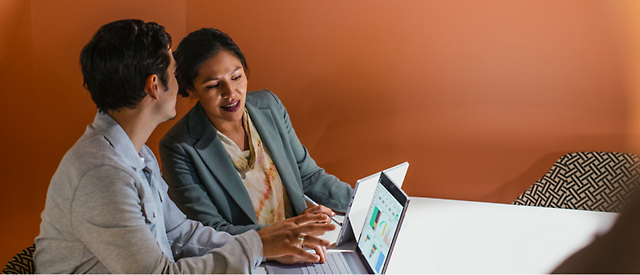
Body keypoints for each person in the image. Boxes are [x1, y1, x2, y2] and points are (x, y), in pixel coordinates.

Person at [34, 19, 334, 274]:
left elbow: (181, 234)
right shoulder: (102, 176)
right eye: (173, 70)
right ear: (154, 85)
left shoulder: (136, 154)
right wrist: (259, 245)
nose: (179, 84)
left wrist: (268, 244)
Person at [159, 28, 354, 235]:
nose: (230, 93)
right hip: (250, 259)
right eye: (214, 85)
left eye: (236, 77)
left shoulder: (269, 106)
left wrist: (361, 205)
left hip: (300, 243)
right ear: (191, 90)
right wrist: (289, 231)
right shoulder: (178, 147)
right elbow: (211, 231)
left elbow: (309, 176)